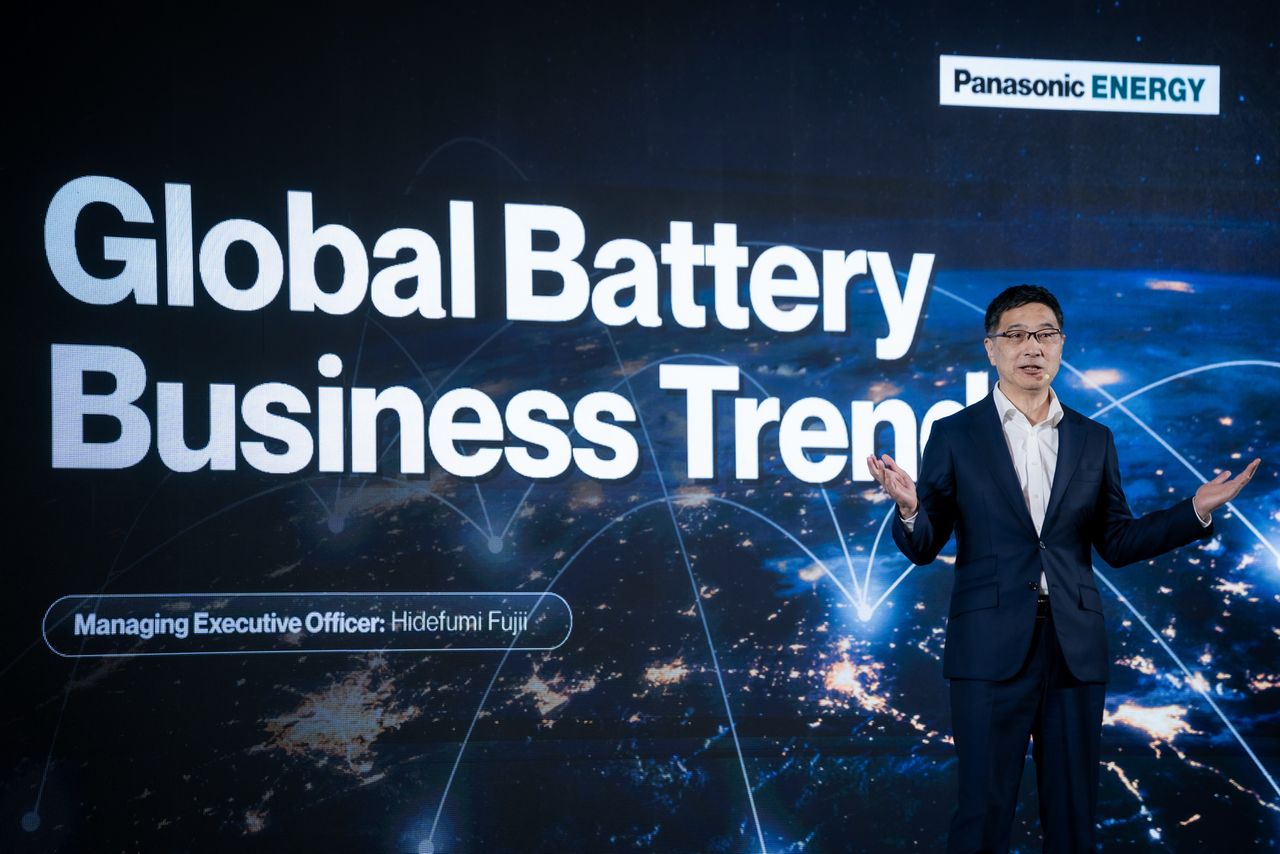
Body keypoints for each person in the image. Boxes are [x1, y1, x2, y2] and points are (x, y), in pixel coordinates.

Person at [866, 284, 1260, 853]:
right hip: (988, 648)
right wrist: (908, 509)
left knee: (1073, 819)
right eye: (1017, 335)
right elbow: (926, 544)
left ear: (1061, 345)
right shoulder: (955, 434)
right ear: (991, 349)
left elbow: (1117, 542)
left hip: (1074, 648)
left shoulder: (1093, 439)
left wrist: (1193, 511)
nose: (1033, 347)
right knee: (982, 815)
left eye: (1045, 334)